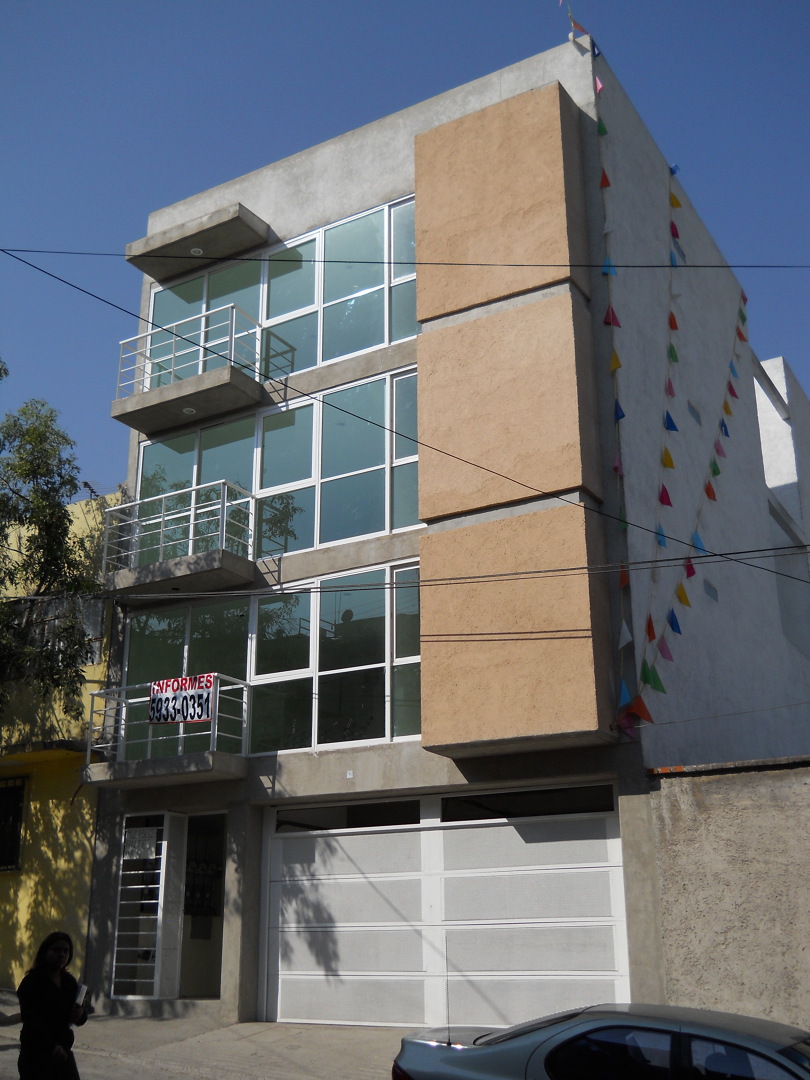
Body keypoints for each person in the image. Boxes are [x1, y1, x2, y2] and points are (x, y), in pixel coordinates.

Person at [16, 932, 89, 1080]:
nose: (61, 954)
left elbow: (79, 1017)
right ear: (45, 952)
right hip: (36, 1055)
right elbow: (31, 1020)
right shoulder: (31, 982)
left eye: (65, 951)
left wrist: (81, 1013)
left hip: (63, 1054)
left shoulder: (69, 982)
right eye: (56, 950)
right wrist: (51, 1046)